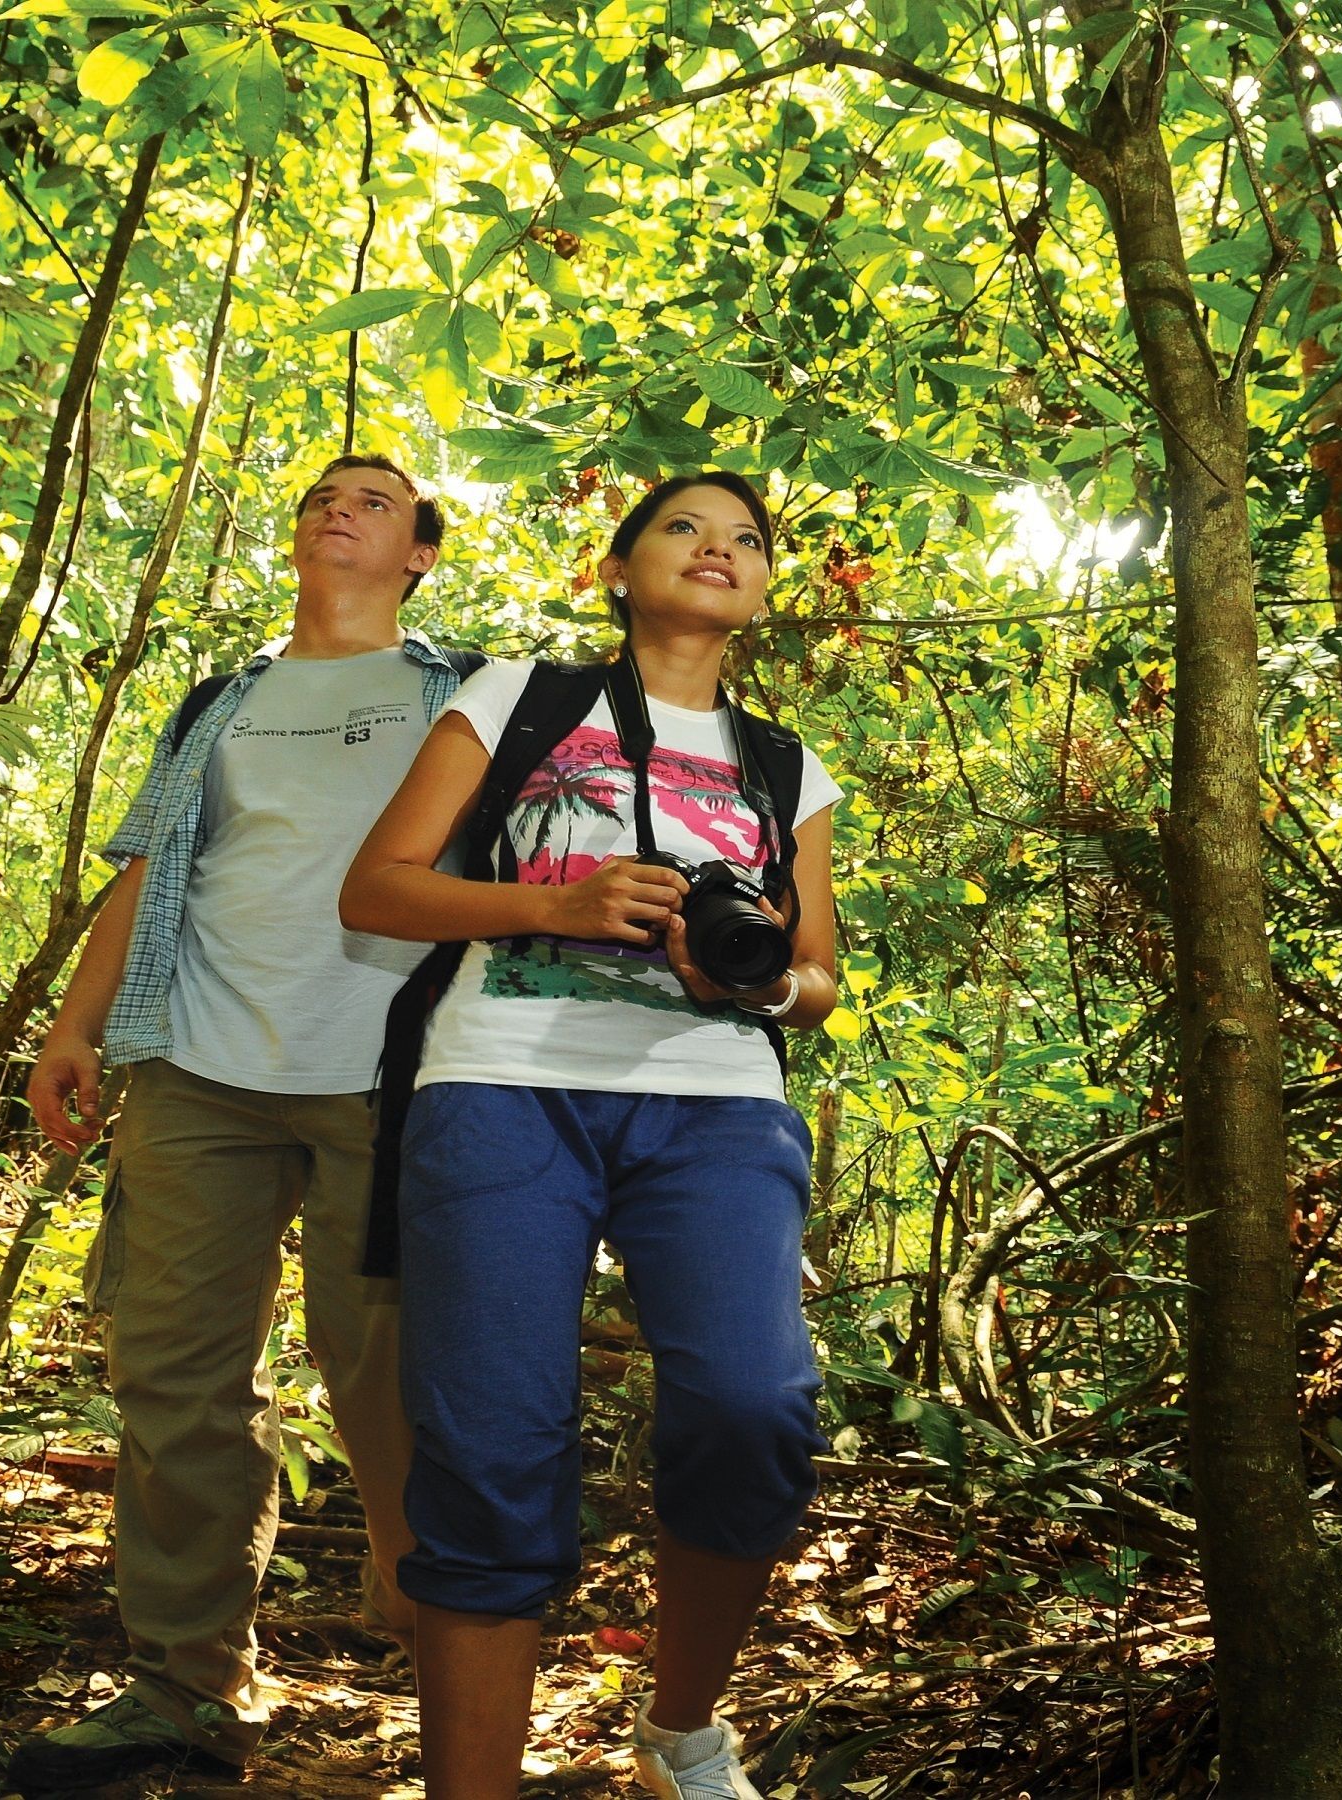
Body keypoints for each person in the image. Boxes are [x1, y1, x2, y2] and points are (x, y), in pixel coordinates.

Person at [339, 471, 841, 1800]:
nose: (719, 549)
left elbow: (820, 979)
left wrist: (745, 974)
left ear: (768, 590)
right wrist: (554, 908)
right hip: (503, 1085)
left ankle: (681, 1732)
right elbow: (377, 887)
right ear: (616, 569)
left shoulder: (787, 766)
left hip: (719, 1104)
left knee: (754, 1407)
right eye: (685, 526)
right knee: (491, 1444)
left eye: (747, 539)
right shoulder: (516, 698)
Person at [3, 453, 480, 1792]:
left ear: (421, 555)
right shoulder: (225, 702)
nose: (342, 507)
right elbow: (151, 866)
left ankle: (420, 1590)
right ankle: (186, 1687)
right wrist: (72, 1027)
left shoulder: (464, 694)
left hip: (394, 1072)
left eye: (377, 500)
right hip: (201, 1069)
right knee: (175, 1379)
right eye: (326, 495)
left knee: (385, 1361)